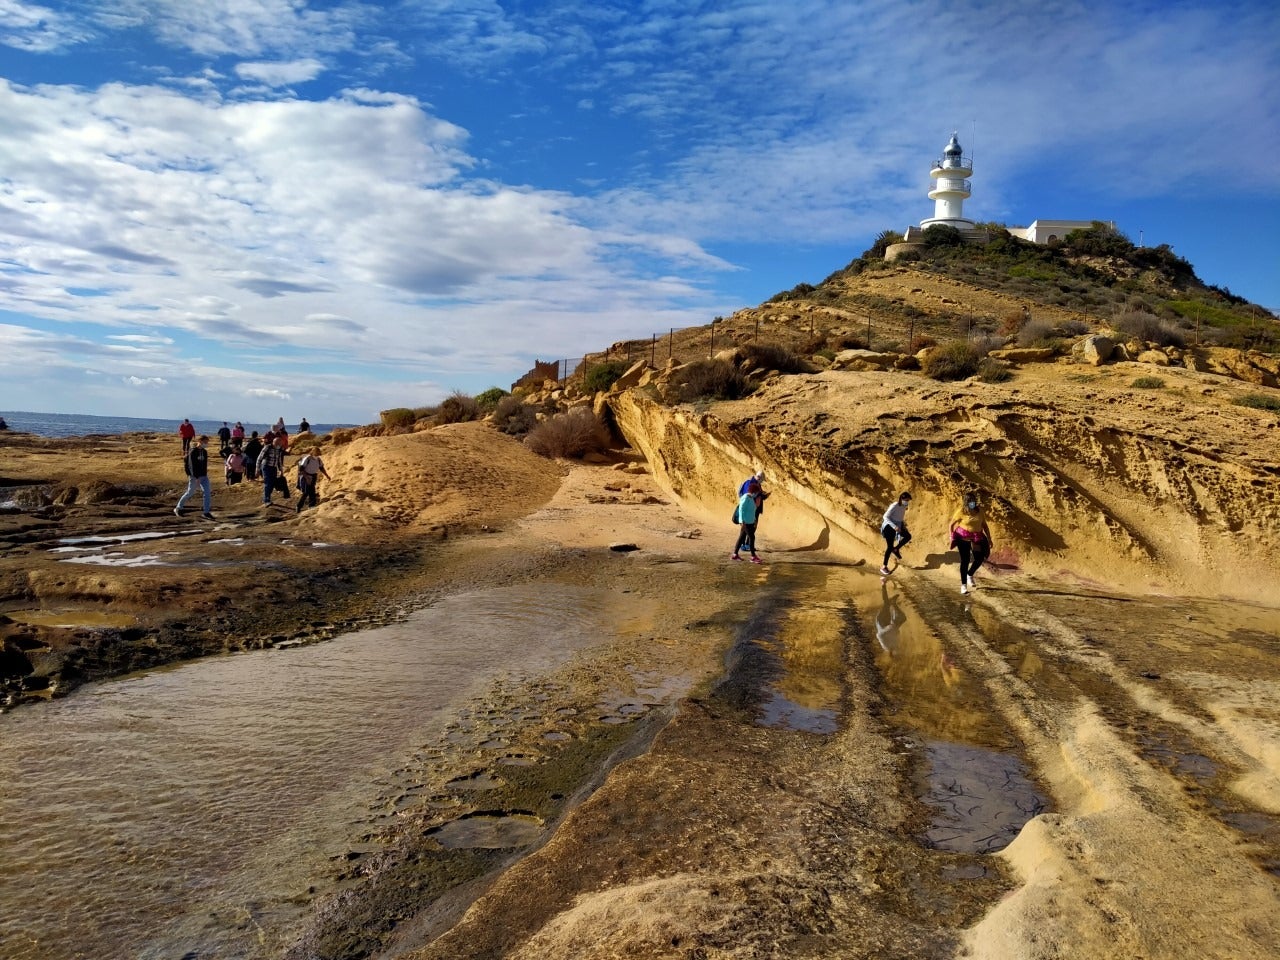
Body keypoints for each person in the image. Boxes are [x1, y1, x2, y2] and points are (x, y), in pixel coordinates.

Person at [949, 490, 993, 595]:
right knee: (965, 560)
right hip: (963, 538)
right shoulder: (961, 511)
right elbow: (951, 525)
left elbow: (985, 526)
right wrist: (951, 537)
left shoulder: (979, 511)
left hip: (976, 537)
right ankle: (963, 586)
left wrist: (989, 538)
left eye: (973, 500)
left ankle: (970, 574)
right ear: (966, 502)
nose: (972, 503)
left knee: (980, 558)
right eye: (970, 501)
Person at [175, 435, 214, 519]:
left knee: (207, 493)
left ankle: (206, 512)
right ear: (200, 441)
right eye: (205, 442)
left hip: (203, 476)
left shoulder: (204, 452)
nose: (206, 444)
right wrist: (196, 477)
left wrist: (204, 475)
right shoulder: (193, 451)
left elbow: (204, 465)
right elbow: (191, 466)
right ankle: (178, 508)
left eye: (207, 442)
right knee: (190, 492)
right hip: (194, 477)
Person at [879, 492, 913, 575]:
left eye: (908, 500)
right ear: (901, 499)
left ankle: (896, 549)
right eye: (906, 500)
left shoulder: (904, 506)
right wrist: (894, 527)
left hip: (898, 525)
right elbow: (885, 516)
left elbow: (899, 517)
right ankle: (884, 567)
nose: (907, 502)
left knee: (908, 536)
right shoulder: (895, 505)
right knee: (889, 547)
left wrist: (903, 526)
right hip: (888, 526)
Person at [731, 478, 764, 563]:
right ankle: (753, 557)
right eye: (756, 492)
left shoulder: (750, 498)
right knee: (752, 537)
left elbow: (751, 510)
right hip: (745, 522)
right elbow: (741, 509)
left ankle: (735, 555)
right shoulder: (746, 497)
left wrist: (754, 519)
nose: (757, 494)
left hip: (749, 521)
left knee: (741, 537)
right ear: (753, 491)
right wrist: (742, 521)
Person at [295, 448, 331, 512]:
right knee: (306, 492)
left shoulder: (318, 459)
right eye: (316, 452)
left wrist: (327, 475)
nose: (318, 454)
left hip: (313, 476)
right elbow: (301, 469)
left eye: (318, 452)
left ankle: (311, 505)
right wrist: (307, 478)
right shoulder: (307, 458)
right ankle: (298, 506)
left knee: (312, 491)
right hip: (306, 476)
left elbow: (321, 468)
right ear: (313, 452)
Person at [258, 435, 286, 506]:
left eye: (280, 444)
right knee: (268, 483)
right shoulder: (267, 447)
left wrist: (281, 470)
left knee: (272, 483)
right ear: (274, 442)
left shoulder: (279, 449)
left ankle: (268, 498)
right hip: (266, 467)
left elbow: (279, 460)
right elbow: (259, 458)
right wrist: (257, 469)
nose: (279, 445)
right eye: (278, 444)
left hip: (274, 468)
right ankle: (266, 500)